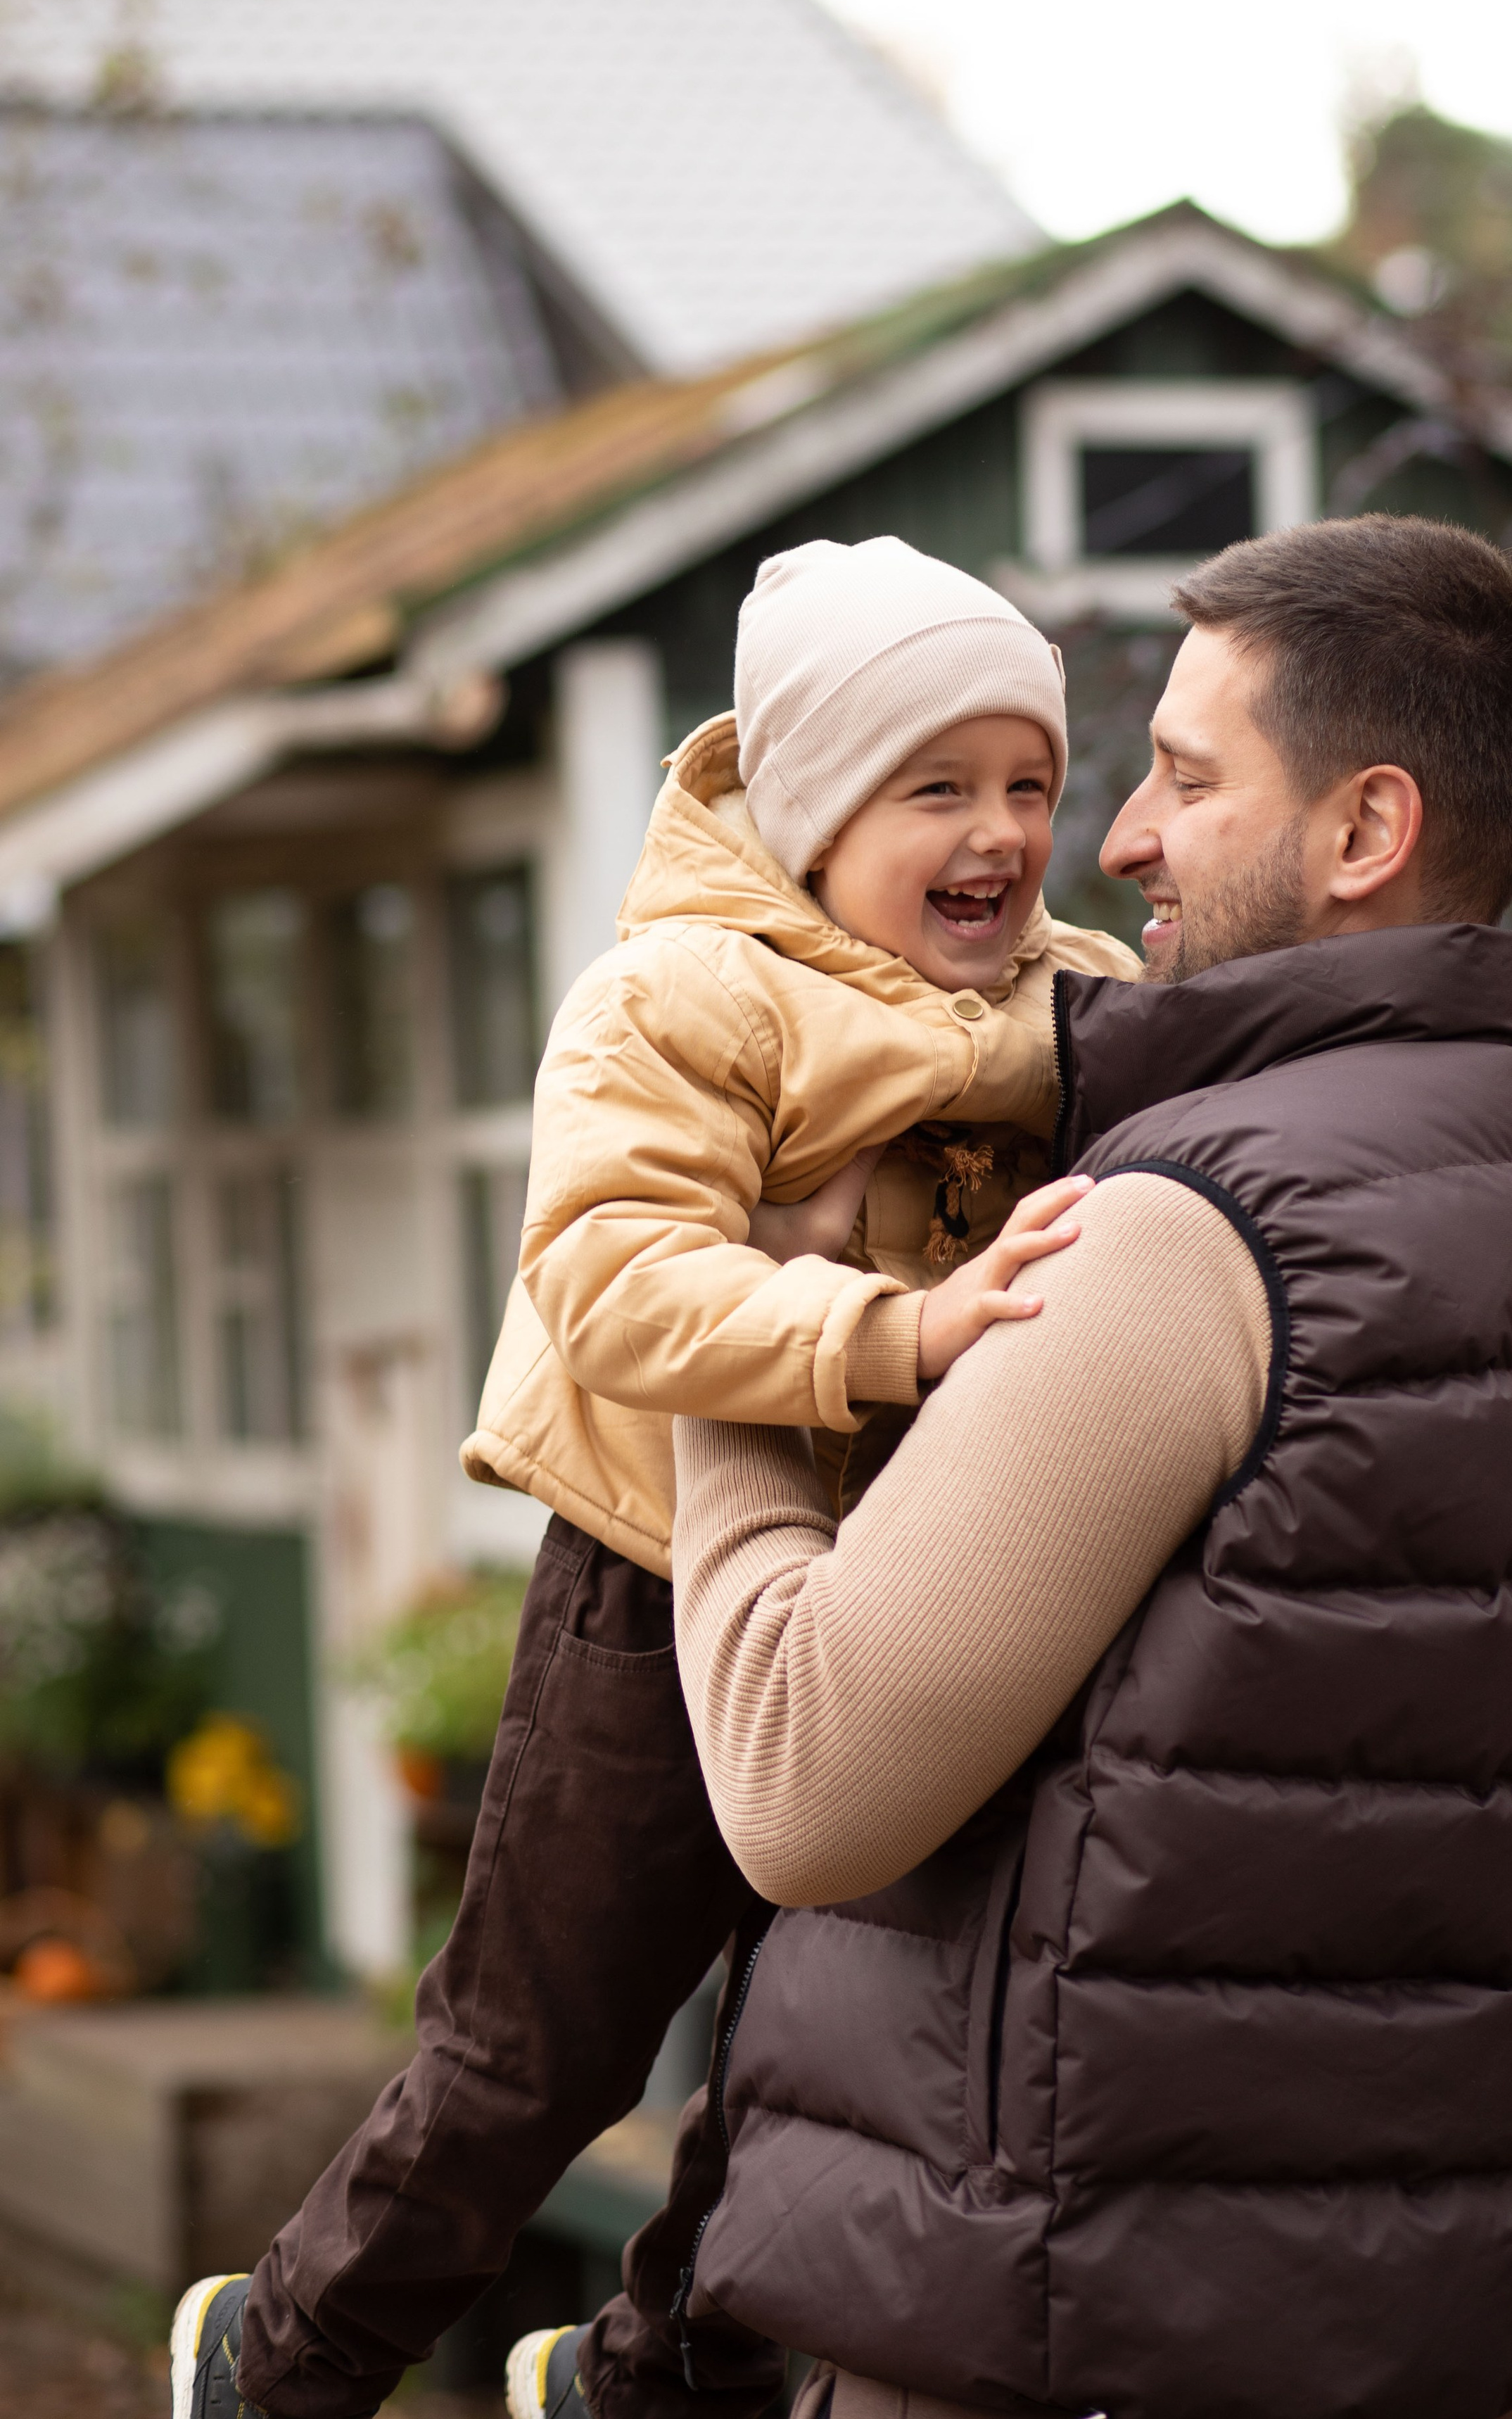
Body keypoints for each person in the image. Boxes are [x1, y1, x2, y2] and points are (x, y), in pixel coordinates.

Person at [654, 517, 1512, 2419]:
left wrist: (742, 1323)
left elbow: (804, 1780)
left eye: (1187, 775)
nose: (1121, 838)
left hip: (1070, 2338)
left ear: (1362, 830)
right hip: (1433, 2338)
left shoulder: (1190, 1239)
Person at [169, 537, 1135, 2419]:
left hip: (901, 1610)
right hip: (654, 1583)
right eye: (936, 786)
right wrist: (897, 1334)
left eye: (1032, 782)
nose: (1002, 832)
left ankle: (639, 2385)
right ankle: (277, 2360)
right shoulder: (689, 993)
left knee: (828, 2067)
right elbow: (612, 1274)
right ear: (807, 804)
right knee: (546, 2048)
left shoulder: (1071, 995)